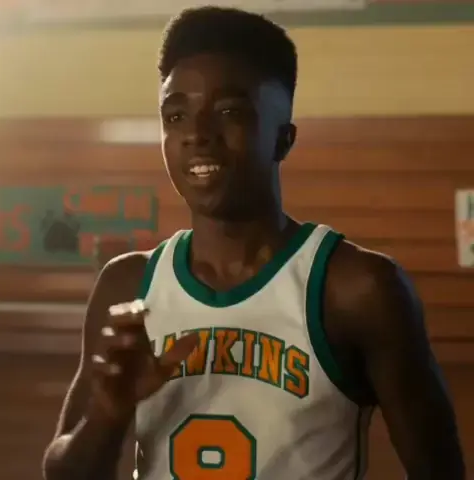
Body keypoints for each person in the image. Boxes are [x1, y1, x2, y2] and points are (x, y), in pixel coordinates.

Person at [42, 6, 465, 480]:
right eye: (176, 115)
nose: (197, 134)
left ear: (283, 140)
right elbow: (63, 474)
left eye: (229, 112)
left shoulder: (356, 289)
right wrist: (108, 413)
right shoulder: (128, 287)